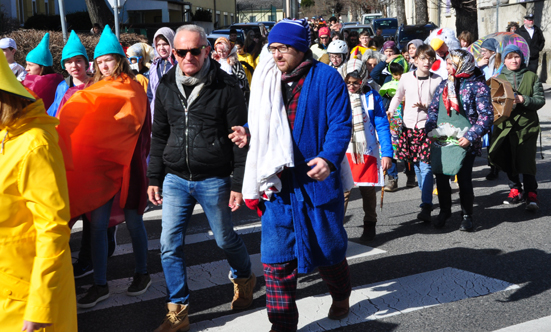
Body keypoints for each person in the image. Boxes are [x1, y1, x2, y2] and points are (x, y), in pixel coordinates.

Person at [230, 18, 353, 332]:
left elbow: (340, 125)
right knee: (275, 260)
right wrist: (247, 133)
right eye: (272, 49)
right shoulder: (266, 78)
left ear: (300, 48)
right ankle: (282, 322)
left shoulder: (327, 78)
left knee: (329, 251)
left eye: (282, 48)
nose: (276, 55)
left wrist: (328, 158)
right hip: (279, 187)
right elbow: (261, 123)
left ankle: (340, 295)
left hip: (315, 184)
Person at [147, 25, 255, 332]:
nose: (188, 57)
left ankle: (244, 276)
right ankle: (177, 312)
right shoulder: (167, 84)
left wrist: (237, 183)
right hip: (175, 177)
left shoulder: (226, 84)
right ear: (174, 53)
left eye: (195, 50)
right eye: (182, 52)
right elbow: (159, 135)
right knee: (169, 244)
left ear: (207, 50)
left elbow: (239, 138)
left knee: (224, 238)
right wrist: (154, 177)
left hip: (214, 177)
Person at [57, 25, 151, 308]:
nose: (103, 64)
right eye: (99, 61)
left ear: (119, 59)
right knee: (96, 225)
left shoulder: (135, 88)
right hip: (100, 167)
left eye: (107, 59)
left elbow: (140, 129)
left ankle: (142, 273)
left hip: (130, 165)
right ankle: (100, 284)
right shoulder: (94, 90)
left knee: (134, 223)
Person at [0, 49, 77, 332]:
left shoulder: (36, 144)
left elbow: (52, 230)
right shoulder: (5, 133)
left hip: (24, 299)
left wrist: (40, 306)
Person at [425, 49, 493, 231]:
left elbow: (486, 116)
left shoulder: (478, 86)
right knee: (441, 176)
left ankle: (467, 215)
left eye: (450, 64)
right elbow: (433, 110)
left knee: (463, 179)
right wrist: (431, 128)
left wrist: (470, 137)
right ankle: (445, 211)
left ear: (461, 64)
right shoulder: (443, 85)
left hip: (465, 140)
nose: (446, 67)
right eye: (447, 64)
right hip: (444, 137)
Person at [388, 44, 443, 223]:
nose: (427, 62)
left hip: (428, 128)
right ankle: (424, 194)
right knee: (416, 164)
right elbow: (397, 96)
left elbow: (440, 106)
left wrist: (425, 107)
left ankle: (426, 205)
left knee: (426, 166)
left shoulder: (438, 80)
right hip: (408, 127)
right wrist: (390, 111)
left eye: (430, 59)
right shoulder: (405, 78)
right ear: (415, 60)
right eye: (423, 59)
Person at [489, 45, 545, 210]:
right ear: (504, 60)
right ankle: (515, 189)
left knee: (526, 160)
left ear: (522, 58)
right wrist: (506, 104)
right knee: (508, 158)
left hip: (527, 126)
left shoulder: (531, 77)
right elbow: (493, 105)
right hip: (505, 127)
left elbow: (540, 100)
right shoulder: (498, 78)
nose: (514, 60)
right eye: (510, 57)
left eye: (517, 57)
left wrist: (522, 99)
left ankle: (531, 193)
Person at [343, 56, 392, 241]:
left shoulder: (372, 96)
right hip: (345, 149)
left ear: (362, 79)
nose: (351, 86)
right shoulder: (339, 95)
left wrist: (387, 152)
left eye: (355, 83)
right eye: (348, 82)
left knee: (367, 190)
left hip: (368, 149)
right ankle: (337, 231)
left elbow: (382, 125)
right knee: (344, 192)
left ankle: (370, 224)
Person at [48, 31, 91, 117]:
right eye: (69, 62)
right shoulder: (62, 87)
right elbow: (56, 112)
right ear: (64, 66)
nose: (74, 65)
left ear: (86, 63)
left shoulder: (96, 84)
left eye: (78, 60)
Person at [22, 33, 63, 110]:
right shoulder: (59, 80)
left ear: (42, 67)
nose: (26, 69)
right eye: (26, 64)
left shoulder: (36, 84)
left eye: (30, 65)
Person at [147, 27, 176, 122]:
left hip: (174, 114)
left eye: (165, 44)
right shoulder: (154, 65)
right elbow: (150, 94)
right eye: (158, 45)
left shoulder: (179, 65)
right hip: (155, 115)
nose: (161, 48)